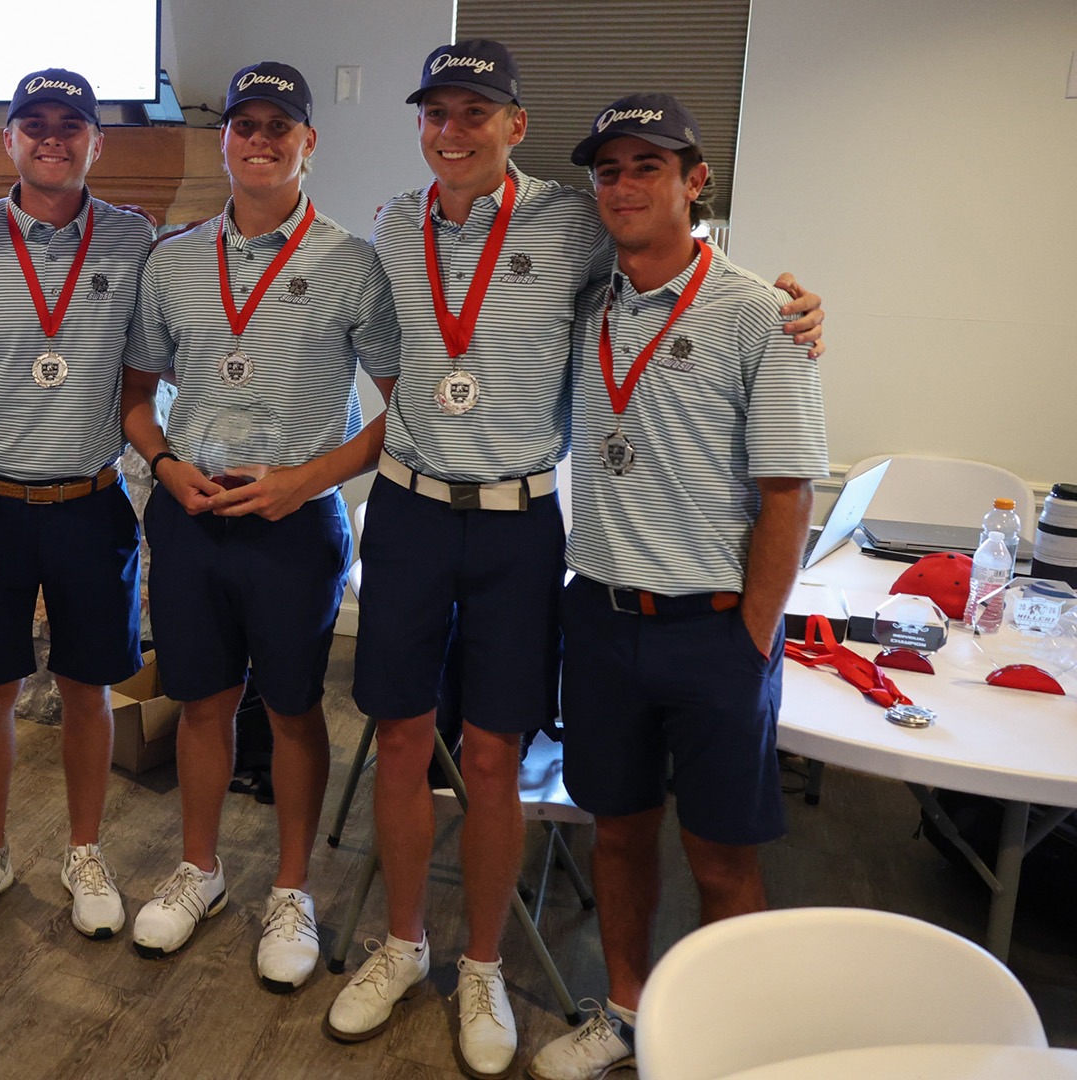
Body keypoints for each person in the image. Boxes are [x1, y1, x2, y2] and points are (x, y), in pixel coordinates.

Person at [327, 41, 825, 1077]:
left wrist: (802, 312)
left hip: (522, 528)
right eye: (438, 113)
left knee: (504, 757)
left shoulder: (569, 223)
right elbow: (389, 352)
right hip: (420, 516)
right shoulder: (388, 224)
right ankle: (400, 944)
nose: (453, 132)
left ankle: (482, 967)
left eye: (478, 113)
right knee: (408, 739)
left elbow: (689, 267)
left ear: (515, 128)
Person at [525, 93, 826, 1080]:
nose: (623, 186)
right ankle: (625, 1012)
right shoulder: (583, 305)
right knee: (617, 833)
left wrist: (752, 638)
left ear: (697, 182)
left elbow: (789, 493)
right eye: (608, 170)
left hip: (713, 634)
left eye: (647, 166)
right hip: (601, 616)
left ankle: (734, 1044)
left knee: (721, 856)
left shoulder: (763, 313)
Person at [121, 62, 400, 991]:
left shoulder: (352, 263)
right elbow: (134, 401)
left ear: (308, 145)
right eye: (246, 126)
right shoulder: (172, 259)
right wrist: (166, 467)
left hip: (296, 525)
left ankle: (292, 892)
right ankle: (200, 869)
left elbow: (405, 413)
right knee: (200, 702)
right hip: (192, 517)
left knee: (290, 708)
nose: (261, 141)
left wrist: (305, 482)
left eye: (282, 127)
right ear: (226, 141)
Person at [0, 69, 155, 940]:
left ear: (98, 141)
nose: (52, 137)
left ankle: (83, 850)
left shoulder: (134, 241)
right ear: (7, 140)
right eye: (35, 123)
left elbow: (152, 366)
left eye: (71, 124)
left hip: (90, 503)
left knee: (88, 690)